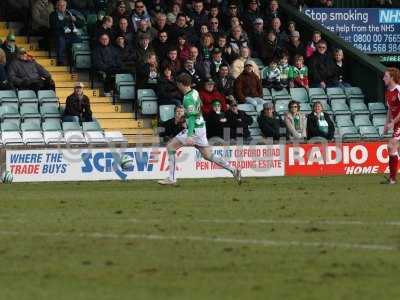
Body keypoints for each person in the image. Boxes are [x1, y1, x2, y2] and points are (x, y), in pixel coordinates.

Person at [157, 73, 241, 185]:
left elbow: (191, 118)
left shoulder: (187, 99)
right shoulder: (195, 92)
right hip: (201, 126)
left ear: (181, 84)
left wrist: (190, 134)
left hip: (194, 129)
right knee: (207, 155)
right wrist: (188, 115)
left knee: (170, 146)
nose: (177, 86)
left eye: (178, 84)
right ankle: (233, 170)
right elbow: (198, 107)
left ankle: (172, 178)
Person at [382, 68, 400, 184]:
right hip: (396, 123)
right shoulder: (388, 91)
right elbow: (390, 110)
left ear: (392, 78)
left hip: (399, 123)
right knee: (392, 147)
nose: (383, 78)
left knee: (391, 145)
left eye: (386, 76)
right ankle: (392, 178)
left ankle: (392, 179)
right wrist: (386, 124)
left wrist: (393, 122)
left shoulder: (398, 89)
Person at [49, 0, 81, 65]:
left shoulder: (70, 13)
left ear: (66, 6)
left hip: (71, 34)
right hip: (59, 34)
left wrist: (76, 20)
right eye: (60, 5)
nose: (62, 7)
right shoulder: (53, 14)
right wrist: (66, 20)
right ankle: (61, 61)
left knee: (78, 39)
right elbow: (55, 25)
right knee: (61, 40)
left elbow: (81, 24)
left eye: (64, 5)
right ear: (56, 6)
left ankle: (75, 60)